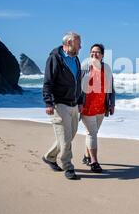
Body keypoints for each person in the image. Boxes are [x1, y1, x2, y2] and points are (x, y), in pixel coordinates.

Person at [42, 32, 83, 180]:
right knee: (65, 138)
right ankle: (68, 166)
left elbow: (78, 82)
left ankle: (49, 157)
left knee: (70, 135)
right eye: (79, 43)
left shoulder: (76, 59)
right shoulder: (55, 58)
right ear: (69, 43)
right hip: (60, 105)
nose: (81, 46)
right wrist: (48, 102)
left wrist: (80, 101)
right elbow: (48, 82)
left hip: (73, 104)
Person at [80, 44, 115, 173]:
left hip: (101, 107)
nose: (94, 54)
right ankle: (94, 162)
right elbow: (76, 85)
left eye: (98, 52)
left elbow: (112, 88)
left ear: (102, 55)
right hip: (86, 107)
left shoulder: (106, 68)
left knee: (92, 133)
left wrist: (112, 104)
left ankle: (86, 156)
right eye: (92, 52)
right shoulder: (84, 67)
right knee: (92, 133)